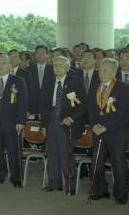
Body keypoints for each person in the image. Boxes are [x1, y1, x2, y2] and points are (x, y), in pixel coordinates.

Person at [40, 56, 87, 194]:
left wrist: (71, 118)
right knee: (52, 152)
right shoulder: (48, 82)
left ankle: (70, 184)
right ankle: (54, 183)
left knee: (66, 153)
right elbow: (43, 105)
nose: (57, 68)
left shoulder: (76, 82)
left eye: (61, 65)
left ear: (67, 68)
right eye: (55, 65)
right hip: (51, 120)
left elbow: (83, 104)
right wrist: (43, 125)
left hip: (68, 121)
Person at [87, 58, 129, 205]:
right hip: (98, 132)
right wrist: (94, 125)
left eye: (105, 70)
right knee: (96, 164)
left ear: (113, 72)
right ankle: (100, 190)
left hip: (116, 133)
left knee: (118, 164)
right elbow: (91, 109)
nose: (101, 73)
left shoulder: (122, 88)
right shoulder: (94, 86)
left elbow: (123, 113)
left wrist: (106, 126)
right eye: (100, 70)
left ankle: (121, 194)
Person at [0, 54, 27, 188]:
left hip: (13, 123)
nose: (0, 66)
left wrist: (21, 121)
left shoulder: (18, 81)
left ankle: (16, 177)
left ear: (9, 65)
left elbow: (23, 103)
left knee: (14, 151)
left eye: (3, 63)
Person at [27, 45, 54, 116]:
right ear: (35, 55)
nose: (40, 55)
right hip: (32, 106)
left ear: (47, 55)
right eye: (37, 53)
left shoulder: (53, 70)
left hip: (48, 106)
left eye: (42, 53)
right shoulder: (28, 70)